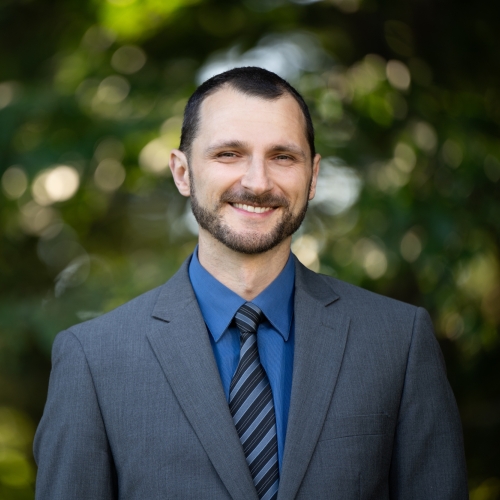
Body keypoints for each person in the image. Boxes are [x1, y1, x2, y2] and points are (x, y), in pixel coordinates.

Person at [34, 66, 468, 499]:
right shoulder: (93, 360)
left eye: (283, 157)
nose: (258, 182)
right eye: (228, 154)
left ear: (313, 175)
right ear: (182, 172)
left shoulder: (398, 341)